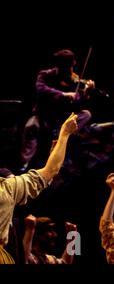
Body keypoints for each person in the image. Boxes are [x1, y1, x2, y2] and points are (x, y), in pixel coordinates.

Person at [0, 113, 78, 264]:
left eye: (53, 231)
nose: (54, 235)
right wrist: (30, 229)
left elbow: (67, 263)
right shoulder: (30, 257)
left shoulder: (47, 259)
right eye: (49, 231)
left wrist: (75, 238)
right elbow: (23, 256)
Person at [20, 49, 94, 170]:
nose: (71, 70)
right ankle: (24, 163)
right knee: (31, 126)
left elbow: (76, 104)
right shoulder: (45, 75)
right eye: (68, 67)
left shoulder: (74, 80)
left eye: (71, 66)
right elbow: (41, 89)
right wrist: (64, 94)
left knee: (86, 114)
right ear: (60, 66)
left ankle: (63, 135)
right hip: (42, 115)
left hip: (61, 118)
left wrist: (86, 94)